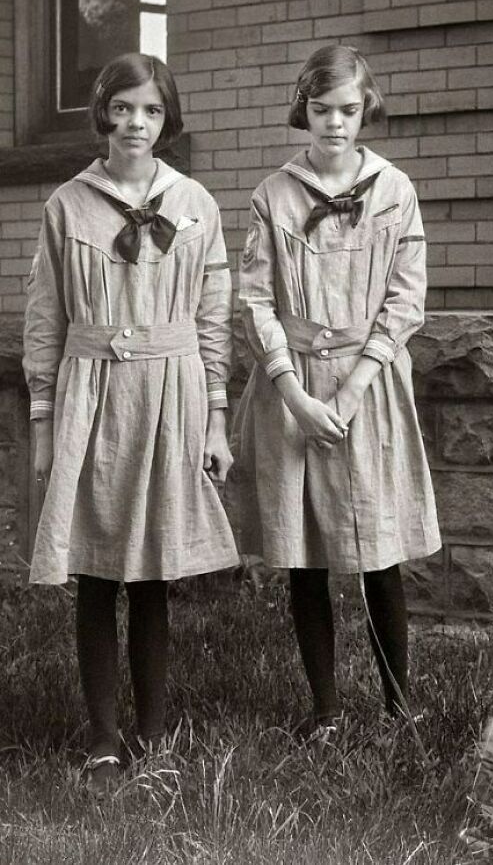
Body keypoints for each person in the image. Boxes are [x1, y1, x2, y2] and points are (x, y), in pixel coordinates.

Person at [22, 53, 238, 794]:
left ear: (166, 120)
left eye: (150, 111)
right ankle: (103, 737)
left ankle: (153, 731)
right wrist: (45, 423)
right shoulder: (67, 205)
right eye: (122, 109)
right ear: (102, 115)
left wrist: (215, 420)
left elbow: (213, 317)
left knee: (150, 572)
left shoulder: (196, 203)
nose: (135, 124)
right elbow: (45, 318)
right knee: (94, 570)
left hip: (170, 393)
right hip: (92, 394)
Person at [230, 45, 441, 738]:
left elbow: (406, 300)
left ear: (366, 109)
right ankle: (326, 710)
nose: (335, 123)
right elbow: (255, 300)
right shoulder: (274, 195)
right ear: (305, 111)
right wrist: (293, 393)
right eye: (321, 110)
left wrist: (351, 392)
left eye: (348, 110)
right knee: (305, 554)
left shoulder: (394, 190)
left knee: (377, 552)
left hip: (367, 384)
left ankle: (398, 706)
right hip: (294, 386)